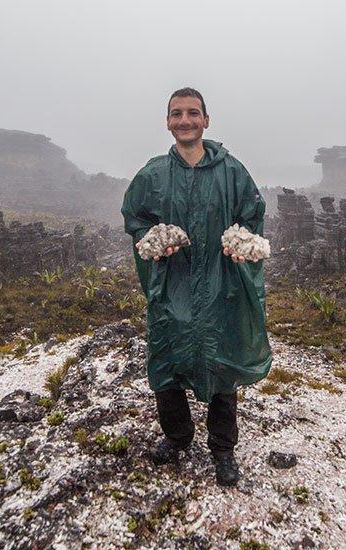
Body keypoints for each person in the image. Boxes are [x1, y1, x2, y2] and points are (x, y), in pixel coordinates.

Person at [120, 87, 272, 486]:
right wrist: (152, 240)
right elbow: (134, 218)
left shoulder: (233, 171)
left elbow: (252, 216)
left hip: (221, 283)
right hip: (173, 285)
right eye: (176, 114)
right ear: (168, 122)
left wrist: (243, 246)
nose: (184, 121)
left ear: (206, 120)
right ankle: (177, 437)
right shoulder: (153, 174)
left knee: (222, 362)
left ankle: (223, 449)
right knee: (167, 359)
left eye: (192, 113)